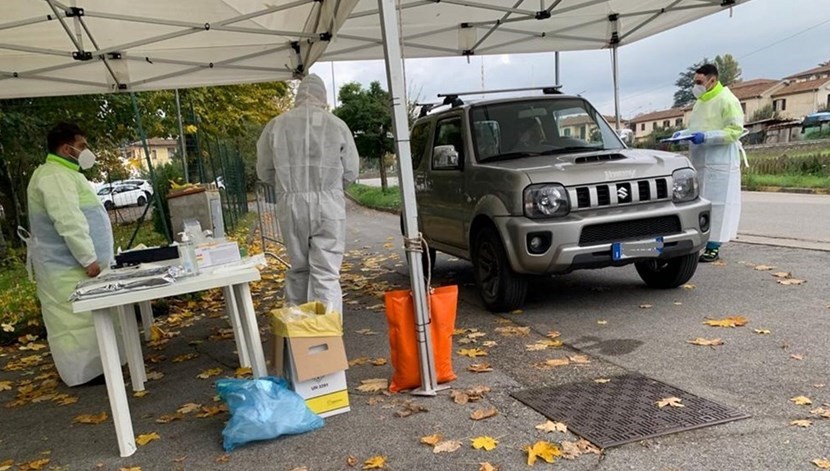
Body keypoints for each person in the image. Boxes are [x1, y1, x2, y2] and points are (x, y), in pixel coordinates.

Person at [256, 74, 359, 314]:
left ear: (298, 94)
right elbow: (351, 170)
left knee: (299, 269)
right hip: (328, 203)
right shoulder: (336, 124)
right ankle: (326, 338)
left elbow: (264, 170)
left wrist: (286, 184)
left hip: (291, 202)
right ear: (323, 95)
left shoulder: (277, 124)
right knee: (326, 273)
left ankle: (298, 340)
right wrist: (332, 185)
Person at [26, 122, 114, 386]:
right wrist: (88, 258)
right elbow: (68, 220)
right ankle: (85, 374)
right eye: (82, 146)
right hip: (67, 268)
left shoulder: (66, 173)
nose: (87, 151)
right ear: (67, 149)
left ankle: (99, 368)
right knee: (73, 323)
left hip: (75, 266)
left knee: (87, 320)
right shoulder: (54, 177)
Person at [674, 64, 745, 262]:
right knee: (699, 202)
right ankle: (698, 241)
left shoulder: (727, 100)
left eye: (699, 82)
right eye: (695, 82)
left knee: (719, 204)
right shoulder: (700, 102)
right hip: (700, 161)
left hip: (720, 161)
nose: (695, 86)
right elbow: (696, 128)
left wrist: (707, 137)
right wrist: (683, 135)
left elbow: (734, 131)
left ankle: (714, 246)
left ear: (712, 80)